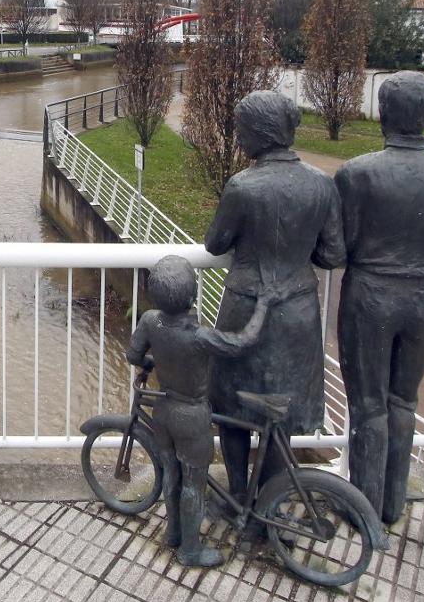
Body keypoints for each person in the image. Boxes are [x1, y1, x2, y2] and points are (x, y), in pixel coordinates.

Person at [335, 71, 424, 525]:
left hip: (369, 298)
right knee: (403, 402)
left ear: (382, 115)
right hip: (422, 301)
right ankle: (393, 504)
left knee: (368, 406)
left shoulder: (356, 174)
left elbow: (345, 246)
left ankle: (364, 508)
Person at [204, 91, 345, 507]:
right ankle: (271, 502)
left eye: (241, 129)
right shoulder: (321, 184)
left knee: (230, 406)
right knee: (279, 411)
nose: (238, 136)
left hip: (245, 306)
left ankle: (237, 494)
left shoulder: (243, 186)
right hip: (298, 311)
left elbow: (215, 243)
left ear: (258, 132)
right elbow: (334, 254)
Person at [126, 255, 271, 567]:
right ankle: (190, 551)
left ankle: (173, 533)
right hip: (192, 417)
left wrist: (154, 364)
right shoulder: (200, 336)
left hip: (164, 410)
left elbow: (133, 354)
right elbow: (243, 341)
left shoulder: (151, 320)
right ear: (192, 297)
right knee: (194, 482)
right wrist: (263, 305)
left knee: (170, 472)